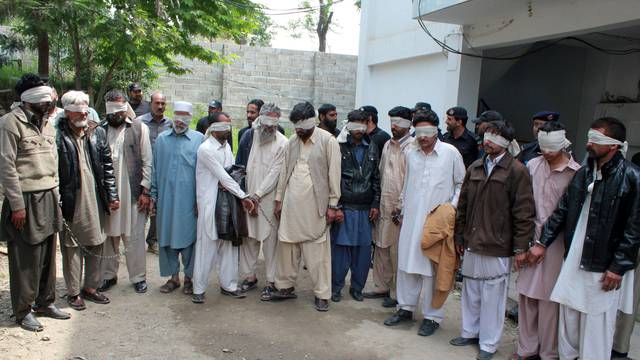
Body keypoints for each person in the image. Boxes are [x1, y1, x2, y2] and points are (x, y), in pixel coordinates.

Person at [529, 117, 640, 360]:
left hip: (603, 264)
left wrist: (618, 267)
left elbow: (634, 228)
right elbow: (562, 210)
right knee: (569, 318)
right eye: (589, 137)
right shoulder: (584, 172)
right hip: (574, 258)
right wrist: (541, 243)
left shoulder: (631, 177)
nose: (589, 143)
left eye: (596, 139)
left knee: (596, 326)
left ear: (613, 145)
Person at [451, 120, 535, 360]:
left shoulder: (517, 171)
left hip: (498, 244)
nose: (488, 141)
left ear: (506, 143)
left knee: (493, 296)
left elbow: (524, 212)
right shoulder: (476, 167)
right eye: (487, 135)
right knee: (471, 290)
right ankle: (470, 331)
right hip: (472, 239)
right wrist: (459, 235)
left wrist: (520, 247)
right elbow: (463, 205)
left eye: (495, 137)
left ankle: (488, 343)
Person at [384, 110, 465, 337]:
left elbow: (461, 184)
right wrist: (400, 206)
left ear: (436, 131)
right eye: (419, 132)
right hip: (410, 219)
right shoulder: (411, 153)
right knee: (407, 265)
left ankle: (432, 316)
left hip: (437, 223)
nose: (423, 137)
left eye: (428, 132)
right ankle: (405, 308)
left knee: (432, 269)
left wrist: (451, 209)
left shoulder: (451, 153)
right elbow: (407, 182)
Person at [0, 74, 68, 332]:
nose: (50, 100)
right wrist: (17, 205)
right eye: (44, 96)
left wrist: (57, 194)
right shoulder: (10, 123)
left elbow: (54, 163)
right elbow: (6, 167)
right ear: (29, 98)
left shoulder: (48, 123)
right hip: (25, 198)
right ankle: (23, 310)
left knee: (49, 255)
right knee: (26, 257)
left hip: (49, 195)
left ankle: (45, 302)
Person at [514, 121, 580, 360]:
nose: (548, 153)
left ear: (563, 144)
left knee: (549, 301)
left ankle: (548, 353)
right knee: (526, 296)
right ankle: (526, 349)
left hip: (556, 244)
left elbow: (570, 214)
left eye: (552, 148)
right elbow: (522, 205)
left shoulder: (576, 173)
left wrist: (545, 243)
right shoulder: (532, 165)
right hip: (529, 237)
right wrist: (522, 244)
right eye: (544, 148)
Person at [267, 101, 341, 312]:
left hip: (315, 206)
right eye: (295, 126)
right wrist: (279, 199)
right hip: (291, 205)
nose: (298, 130)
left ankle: (322, 294)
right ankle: (285, 287)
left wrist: (333, 205)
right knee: (287, 247)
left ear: (313, 121)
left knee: (317, 252)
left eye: (301, 126)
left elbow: (334, 175)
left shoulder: (328, 141)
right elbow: (284, 171)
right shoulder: (292, 141)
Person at [57, 90, 120, 311]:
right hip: (72, 198)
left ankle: (91, 288)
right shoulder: (58, 134)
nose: (83, 114)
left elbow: (107, 166)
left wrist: (112, 195)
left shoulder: (96, 131)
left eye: (85, 109)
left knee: (97, 241)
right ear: (67, 112)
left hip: (95, 196)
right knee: (71, 245)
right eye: (78, 111)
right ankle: (74, 292)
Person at [192, 119, 255, 303]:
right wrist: (244, 196)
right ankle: (199, 289)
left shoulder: (226, 146)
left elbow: (233, 173)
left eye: (229, 125)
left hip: (228, 202)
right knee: (207, 246)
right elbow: (224, 177)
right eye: (223, 126)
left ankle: (229, 285)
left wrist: (233, 187)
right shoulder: (205, 149)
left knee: (229, 245)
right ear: (213, 129)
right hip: (211, 204)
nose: (228, 129)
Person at [98, 90, 153, 294]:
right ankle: (108, 276)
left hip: (133, 193)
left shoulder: (139, 128)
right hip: (108, 195)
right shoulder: (100, 130)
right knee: (109, 236)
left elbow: (148, 162)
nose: (116, 115)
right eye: (112, 110)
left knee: (135, 236)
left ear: (125, 108)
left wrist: (145, 191)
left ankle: (138, 277)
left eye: (120, 110)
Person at [150, 101, 204, 295]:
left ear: (190, 118)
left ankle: (189, 278)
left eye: (185, 116)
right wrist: (153, 196)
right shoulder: (162, 140)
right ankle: (173, 278)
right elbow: (154, 170)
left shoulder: (199, 140)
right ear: (172, 116)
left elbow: (204, 173)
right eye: (178, 116)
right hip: (166, 200)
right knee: (166, 239)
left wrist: (201, 200)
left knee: (190, 240)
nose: (180, 120)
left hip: (189, 201)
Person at [364, 106, 413, 308]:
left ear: (409, 124)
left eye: (399, 123)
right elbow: (381, 174)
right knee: (381, 246)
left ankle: (395, 293)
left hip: (399, 209)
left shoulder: (412, 148)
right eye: (392, 122)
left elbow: (409, 181)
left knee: (396, 251)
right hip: (383, 204)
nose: (394, 126)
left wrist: (401, 206)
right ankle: (381, 286)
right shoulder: (387, 145)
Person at [237, 104, 288, 297]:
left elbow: (275, 172)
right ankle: (250, 277)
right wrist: (244, 195)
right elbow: (240, 164)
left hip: (266, 199)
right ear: (261, 118)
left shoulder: (283, 142)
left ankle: (272, 281)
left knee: (270, 242)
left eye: (274, 122)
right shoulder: (249, 136)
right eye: (267, 121)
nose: (269, 127)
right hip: (247, 197)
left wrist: (257, 196)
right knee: (248, 238)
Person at [331, 109, 381, 302]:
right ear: (348, 125)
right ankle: (336, 288)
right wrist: (337, 207)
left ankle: (357, 288)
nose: (360, 129)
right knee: (341, 252)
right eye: (355, 125)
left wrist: (376, 203)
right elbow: (333, 179)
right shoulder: (338, 146)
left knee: (363, 253)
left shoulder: (372, 146)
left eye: (363, 125)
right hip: (345, 208)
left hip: (365, 210)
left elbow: (376, 177)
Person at [612, 152, 640, 360]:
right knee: (628, 296)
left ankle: (618, 349)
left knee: (630, 296)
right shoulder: (636, 163)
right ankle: (618, 349)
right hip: (631, 241)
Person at [138, 91, 171, 254]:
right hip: (143, 171)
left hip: (162, 172)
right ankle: (135, 241)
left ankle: (153, 240)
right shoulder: (139, 123)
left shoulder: (170, 124)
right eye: (157, 103)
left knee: (158, 208)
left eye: (162, 103)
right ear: (150, 103)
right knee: (140, 206)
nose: (160, 106)